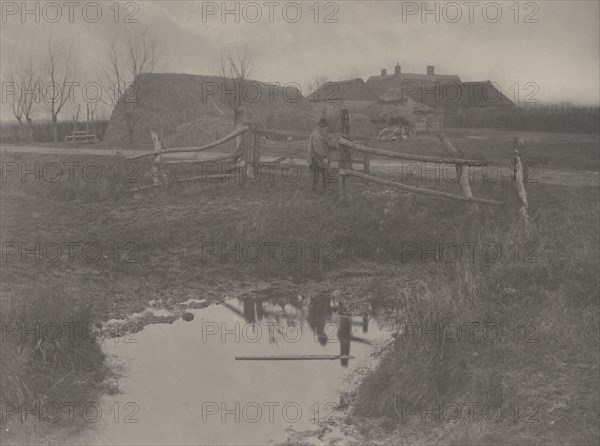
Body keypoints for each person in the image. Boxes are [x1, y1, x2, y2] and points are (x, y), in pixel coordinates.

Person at [307, 118, 337, 192]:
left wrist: (333, 142)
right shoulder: (316, 135)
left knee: (325, 173)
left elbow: (328, 143)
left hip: (319, 158)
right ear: (322, 127)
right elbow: (318, 149)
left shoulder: (322, 134)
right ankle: (314, 192)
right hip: (315, 158)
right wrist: (324, 158)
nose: (327, 128)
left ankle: (326, 189)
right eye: (326, 127)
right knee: (316, 175)